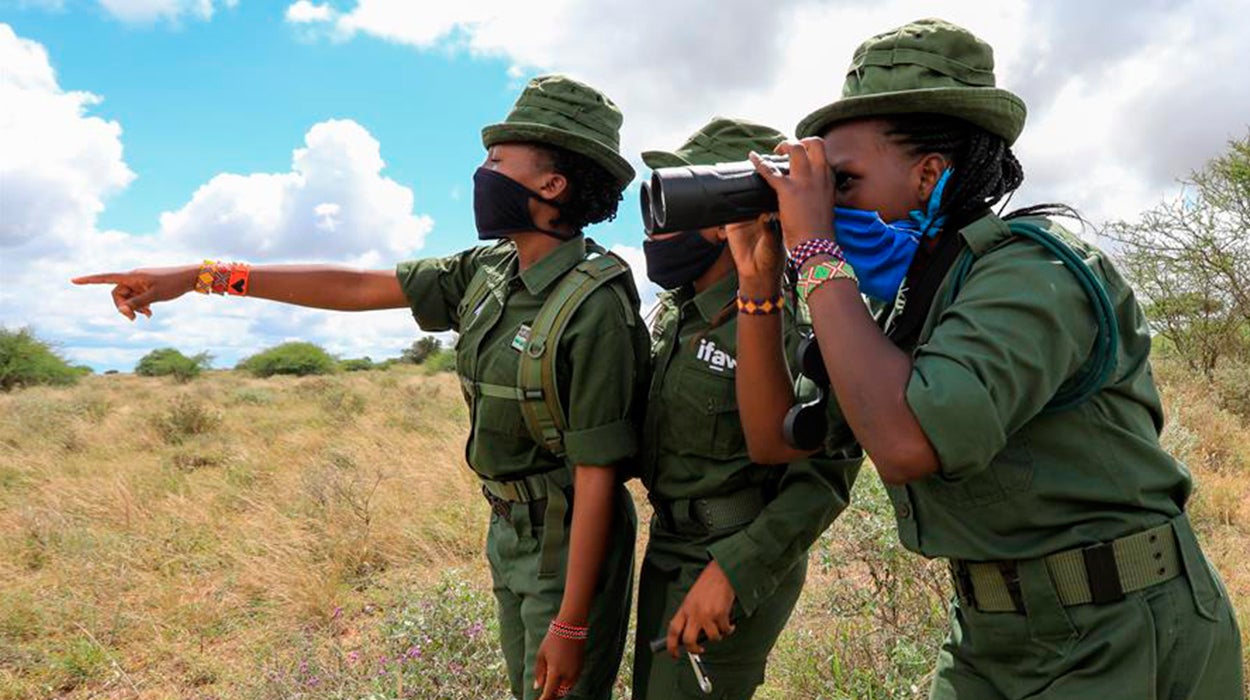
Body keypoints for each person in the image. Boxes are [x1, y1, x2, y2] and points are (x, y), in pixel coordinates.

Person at [74, 74, 650, 700]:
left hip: (570, 539)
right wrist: (200, 274)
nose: (482, 173)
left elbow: (598, 474)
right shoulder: (486, 270)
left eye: (496, 159)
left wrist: (569, 621)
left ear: (551, 184)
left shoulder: (595, 305)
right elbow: (353, 289)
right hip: (508, 525)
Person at [727, 18, 1244, 700]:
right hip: (989, 633)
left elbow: (908, 444)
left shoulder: (1030, 271)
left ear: (929, 174)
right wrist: (759, 285)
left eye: (841, 182)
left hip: (1119, 626)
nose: (824, 202)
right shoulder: (903, 302)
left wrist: (817, 252)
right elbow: (774, 439)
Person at [632, 118, 861, 699]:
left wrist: (733, 572)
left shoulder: (789, 322)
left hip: (729, 557)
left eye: (670, 208)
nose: (653, 232)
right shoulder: (678, 315)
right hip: (668, 547)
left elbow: (824, 475)